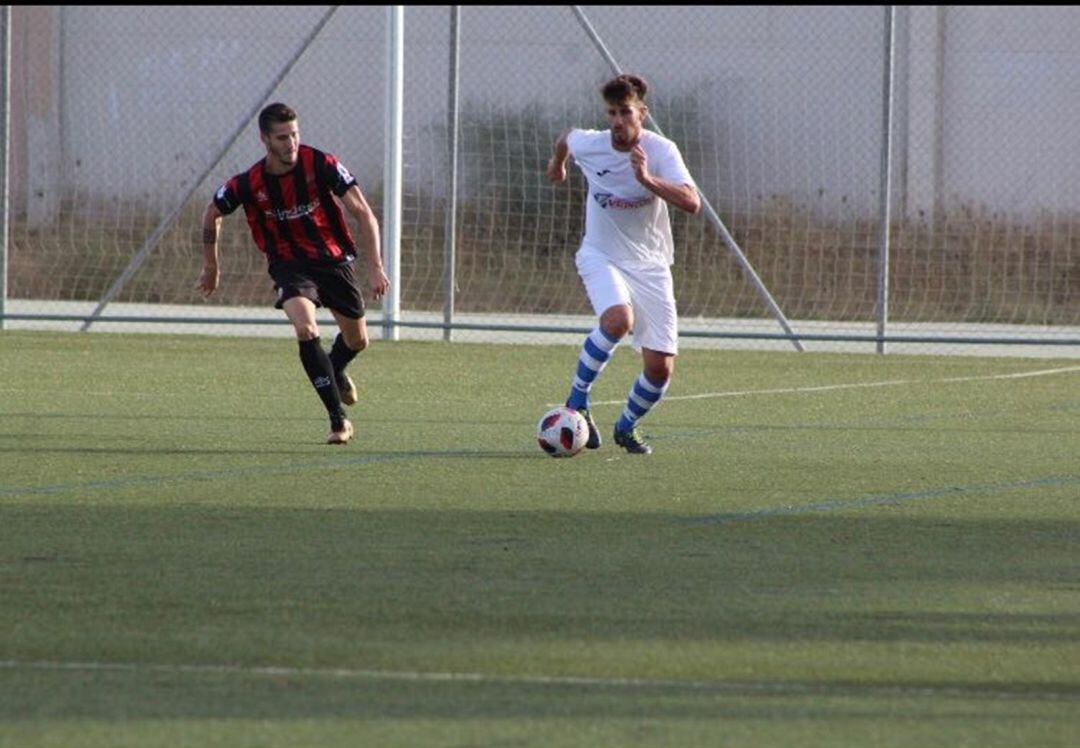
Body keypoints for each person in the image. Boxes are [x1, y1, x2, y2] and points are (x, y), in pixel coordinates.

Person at [197, 102, 390, 445]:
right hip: (289, 266)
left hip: (333, 261)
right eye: (283, 137)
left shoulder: (321, 164)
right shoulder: (250, 182)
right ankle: (338, 420)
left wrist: (376, 267)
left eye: (295, 134)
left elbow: (363, 213)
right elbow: (212, 212)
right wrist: (211, 266)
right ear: (265, 140)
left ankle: (335, 368)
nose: (292, 143)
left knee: (357, 341)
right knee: (305, 328)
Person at [546, 74, 700, 455]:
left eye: (625, 112)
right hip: (601, 255)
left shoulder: (661, 150)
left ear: (642, 113)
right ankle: (577, 400)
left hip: (650, 264)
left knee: (660, 368)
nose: (617, 121)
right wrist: (558, 165)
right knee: (618, 320)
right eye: (612, 113)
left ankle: (626, 426)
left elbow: (692, 201)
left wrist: (647, 179)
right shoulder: (593, 144)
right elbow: (567, 138)